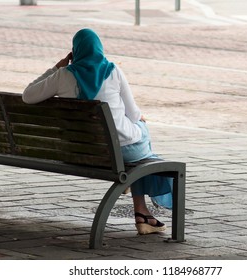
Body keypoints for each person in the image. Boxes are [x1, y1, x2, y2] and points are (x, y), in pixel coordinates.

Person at [22, 28, 172, 235]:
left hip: (82, 151)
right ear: (99, 49)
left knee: (137, 149)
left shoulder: (63, 76)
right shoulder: (113, 70)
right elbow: (133, 113)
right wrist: (140, 120)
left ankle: (141, 209)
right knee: (142, 137)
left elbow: (28, 96)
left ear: (75, 52)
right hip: (120, 152)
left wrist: (56, 67)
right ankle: (141, 210)